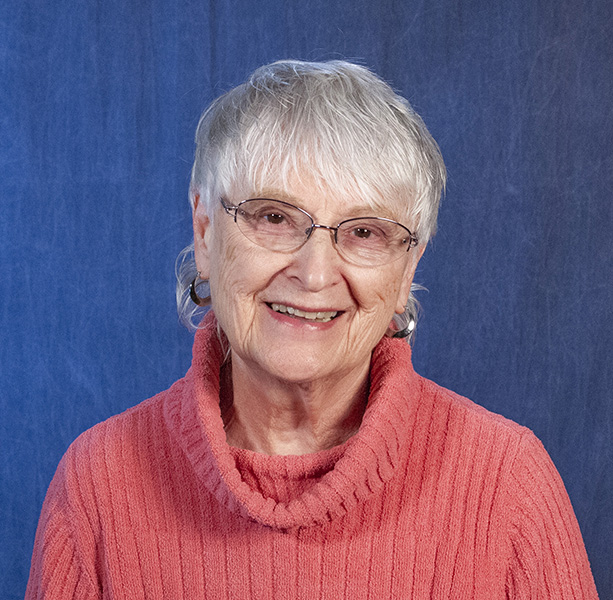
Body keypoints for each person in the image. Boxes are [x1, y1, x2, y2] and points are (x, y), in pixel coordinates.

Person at [26, 60, 598, 599]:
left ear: (408, 270)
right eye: (274, 217)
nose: (315, 273)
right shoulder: (97, 486)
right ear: (204, 232)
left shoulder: (508, 485)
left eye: (365, 232)